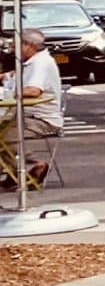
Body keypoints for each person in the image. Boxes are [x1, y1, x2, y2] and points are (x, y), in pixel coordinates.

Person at [3, 28, 64, 191]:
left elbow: (34, 90)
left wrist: (11, 94)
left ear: (29, 46)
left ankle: (33, 165)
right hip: (27, 115)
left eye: (16, 46)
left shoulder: (40, 63)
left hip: (41, 118)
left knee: (4, 136)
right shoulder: (32, 62)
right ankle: (14, 172)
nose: (14, 50)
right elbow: (18, 75)